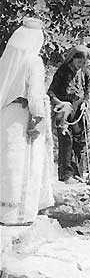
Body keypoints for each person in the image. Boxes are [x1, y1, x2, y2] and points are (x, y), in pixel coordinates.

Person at [0, 17, 54, 225]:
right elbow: (35, 95)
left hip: (7, 116)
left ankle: (4, 211)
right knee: (24, 164)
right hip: (23, 117)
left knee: (7, 163)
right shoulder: (33, 61)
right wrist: (37, 119)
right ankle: (19, 214)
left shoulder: (7, 61)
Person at [48, 45, 90, 184]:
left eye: (84, 63)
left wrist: (85, 102)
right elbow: (51, 92)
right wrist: (60, 103)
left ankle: (78, 173)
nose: (81, 65)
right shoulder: (62, 72)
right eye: (79, 62)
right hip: (65, 111)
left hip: (79, 111)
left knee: (80, 142)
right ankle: (66, 175)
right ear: (72, 59)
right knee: (67, 141)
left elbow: (86, 92)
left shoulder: (84, 73)